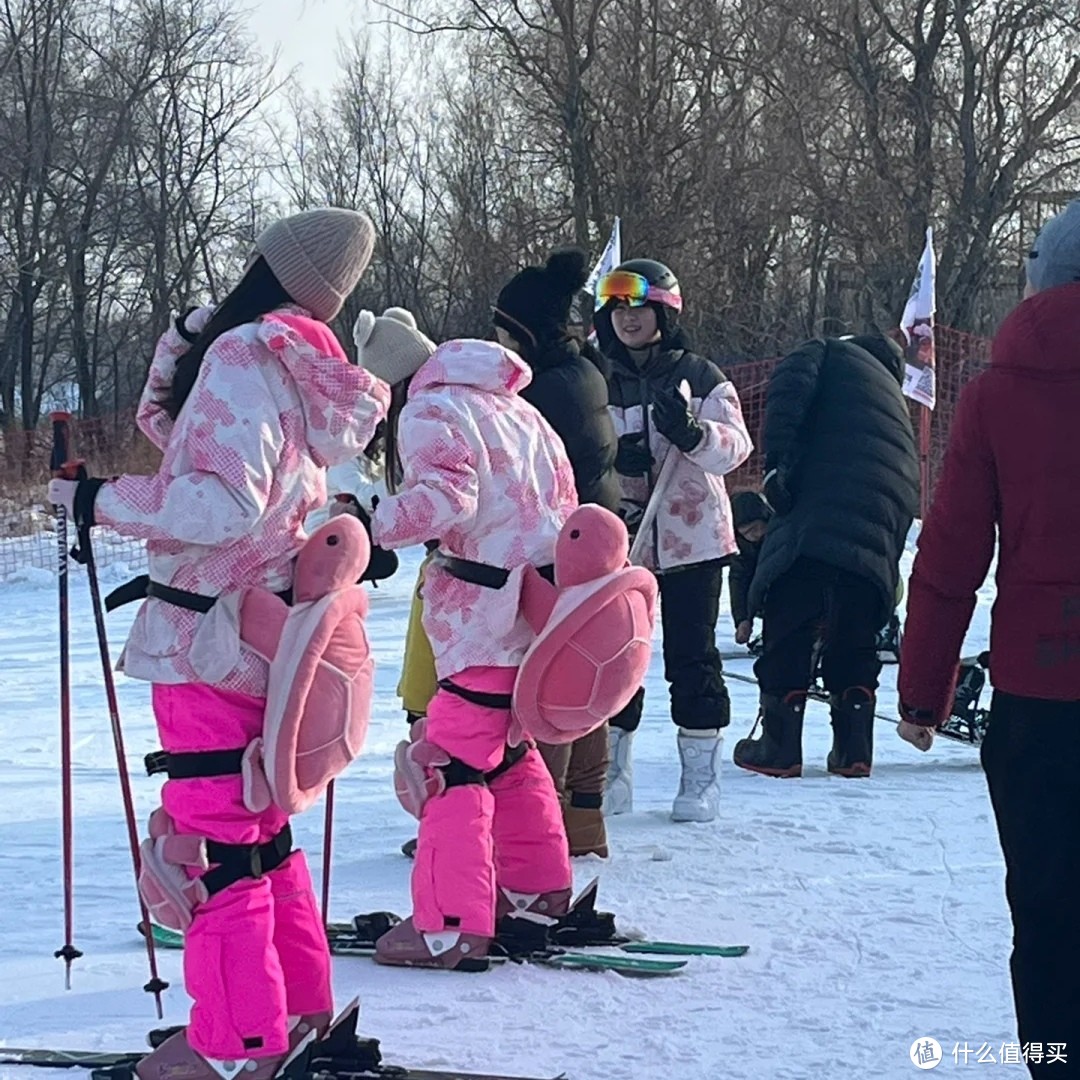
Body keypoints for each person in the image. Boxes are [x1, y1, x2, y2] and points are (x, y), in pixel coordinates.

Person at [47, 208, 388, 1079]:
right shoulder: (302, 366)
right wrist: (182, 341)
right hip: (265, 630)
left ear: (267, 267)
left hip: (206, 634)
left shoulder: (243, 359)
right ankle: (296, 1013)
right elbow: (183, 437)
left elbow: (215, 502)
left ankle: (236, 1045)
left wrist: (96, 503)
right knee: (260, 829)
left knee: (210, 841)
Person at [897, 201, 1080, 1074]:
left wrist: (923, 690)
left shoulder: (996, 392)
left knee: (1048, 916)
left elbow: (950, 554)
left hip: (1040, 702)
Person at [355, 312, 577, 969]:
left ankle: (448, 924)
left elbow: (447, 499)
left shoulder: (429, 409)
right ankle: (537, 892)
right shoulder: (515, 408)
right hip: (541, 605)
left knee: (448, 763)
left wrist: (369, 524)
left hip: (482, 610)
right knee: (507, 753)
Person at [593, 258, 753, 822]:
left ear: (664, 310)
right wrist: (615, 460)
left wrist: (692, 432)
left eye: (637, 308)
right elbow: (580, 450)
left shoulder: (700, 377)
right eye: (615, 310)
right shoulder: (600, 379)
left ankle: (700, 778)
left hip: (693, 541)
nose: (626, 320)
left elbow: (735, 448)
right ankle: (610, 771)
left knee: (692, 656)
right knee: (616, 656)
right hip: (624, 541)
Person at [733, 333, 918, 779]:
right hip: (875, 539)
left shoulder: (829, 351)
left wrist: (776, 463)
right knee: (854, 633)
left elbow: (789, 389)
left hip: (814, 518)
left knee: (791, 621)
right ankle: (854, 749)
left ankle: (779, 746)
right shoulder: (898, 410)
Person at [492, 247, 620, 857]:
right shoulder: (584, 370)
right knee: (581, 681)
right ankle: (582, 820)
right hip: (590, 543)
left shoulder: (544, 390)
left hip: (560, 549)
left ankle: (541, 823)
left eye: (501, 330)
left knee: (551, 690)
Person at [729, 490, 773, 651]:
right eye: (747, 532)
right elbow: (738, 581)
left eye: (757, 527)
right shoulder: (742, 549)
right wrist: (743, 619)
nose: (755, 535)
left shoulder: (780, 534)